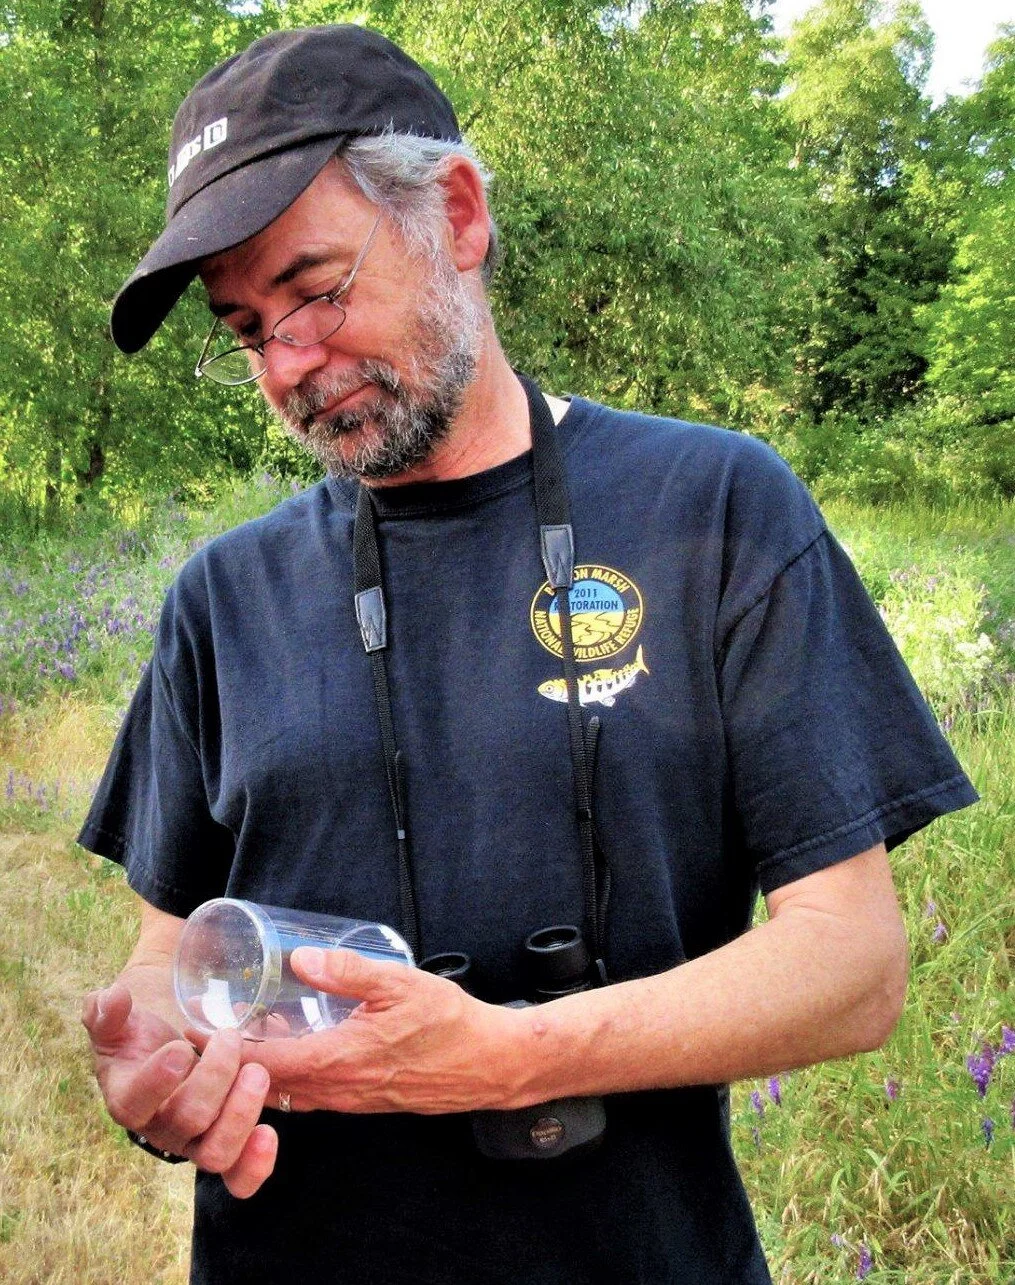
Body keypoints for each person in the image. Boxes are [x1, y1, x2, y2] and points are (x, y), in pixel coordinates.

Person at [79, 24, 977, 1285]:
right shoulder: (222, 598)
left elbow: (852, 964)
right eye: (244, 329)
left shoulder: (714, 510)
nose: (288, 363)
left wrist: (510, 1057)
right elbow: (168, 953)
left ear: (456, 214)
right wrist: (157, 1069)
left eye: (316, 289)